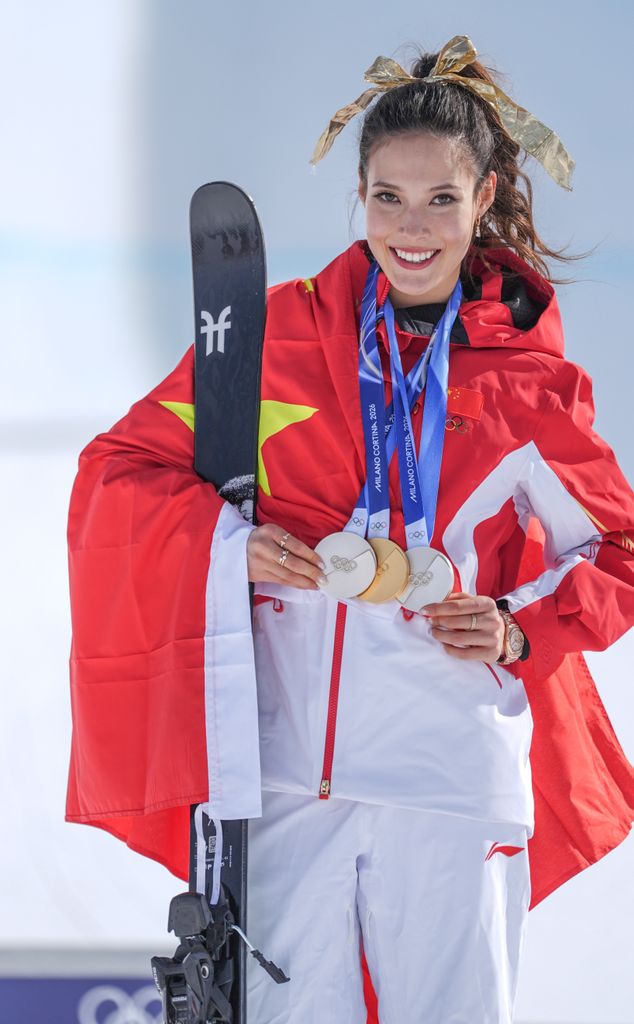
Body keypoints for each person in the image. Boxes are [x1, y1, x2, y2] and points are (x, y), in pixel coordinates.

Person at [66, 34, 634, 1024]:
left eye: (440, 200)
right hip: (287, 792)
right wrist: (230, 542)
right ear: (358, 195)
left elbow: (621, 553)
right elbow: (119, 474)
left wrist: (514, 625)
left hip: (447, 784)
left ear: (487, 197)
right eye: (387, 197)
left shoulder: (527, 387)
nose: (410, 227)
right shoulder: (270, 342)